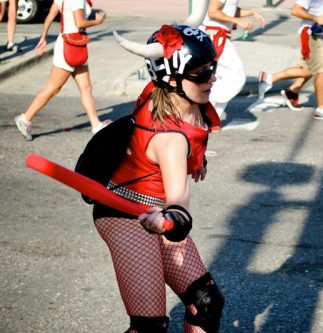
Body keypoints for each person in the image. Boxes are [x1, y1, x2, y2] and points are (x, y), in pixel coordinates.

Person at [95, 24, 224, 332]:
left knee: (206, 301)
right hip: (125, 212)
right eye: (201, 73)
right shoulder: (171, 139)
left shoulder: (178, 96)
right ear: (170, 77)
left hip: (154, 209)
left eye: (212, 67)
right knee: (150, 326)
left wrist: (198, 158)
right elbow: (178, 202)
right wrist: (172, 220)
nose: (212, 78)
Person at [13, 0, 109, 141]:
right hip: (70, 47)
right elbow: (80, 23)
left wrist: (43, 38)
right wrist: (97, 21)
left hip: (73, 44)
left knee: (86, 87)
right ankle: (25, 118)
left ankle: (96, 125)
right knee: (53, 88)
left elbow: (50, 17)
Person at [258, 0, 323, 113]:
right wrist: (315, 18)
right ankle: (321, 108)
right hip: (311, 33)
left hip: (321, 33)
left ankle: (279, 84)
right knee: (322, 70)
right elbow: (295, 10)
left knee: (308, 69)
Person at [200, 0, 265, 118]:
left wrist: (251, 12)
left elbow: (229, 9)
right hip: (215, 35)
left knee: (221, 77)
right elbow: (213, 11)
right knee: (236, 77)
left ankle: (212, 117)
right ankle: (204, 101)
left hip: (218, 35)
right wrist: (237, 21)